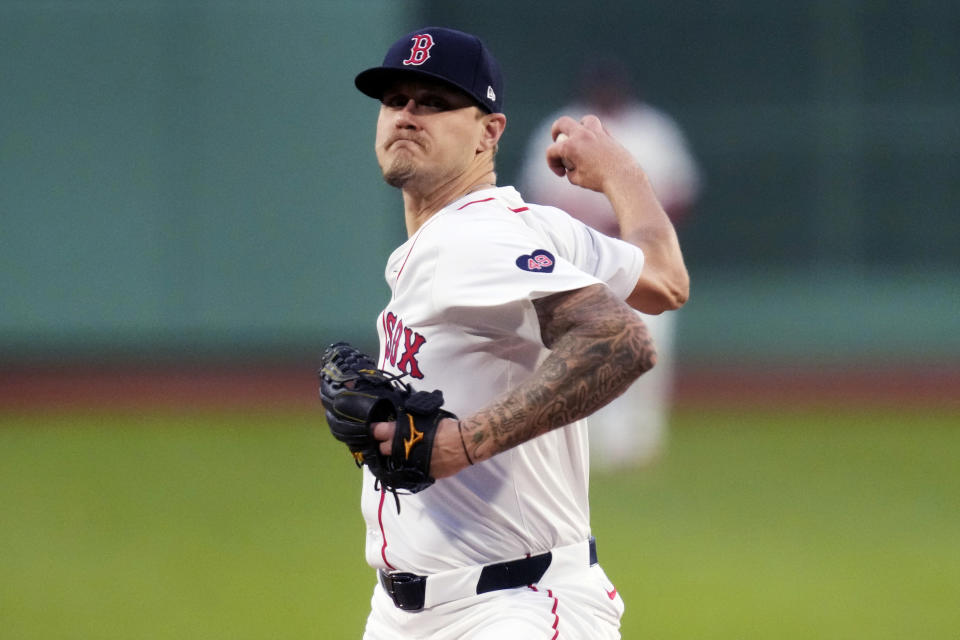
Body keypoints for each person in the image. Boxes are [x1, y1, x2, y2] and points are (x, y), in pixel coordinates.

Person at [347, 26, 688, 639]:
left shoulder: (476, 237)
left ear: (489, 131)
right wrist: (623, 174)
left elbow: (621, 342)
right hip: (416, 613)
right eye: (394, 99)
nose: (406, 115)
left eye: (433, 102)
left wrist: (464, 442)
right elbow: (664, 280)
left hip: (511, 610)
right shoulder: (534, 227)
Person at [519, 56, 702, 470]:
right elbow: (536, 200)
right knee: (580, 354)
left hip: (639, 259)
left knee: (648, 351)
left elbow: (682, 194)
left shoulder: (653, 131)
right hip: (578, 263)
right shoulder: (558, 129)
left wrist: (631, 218)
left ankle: (640, 448)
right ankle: (590, 452)